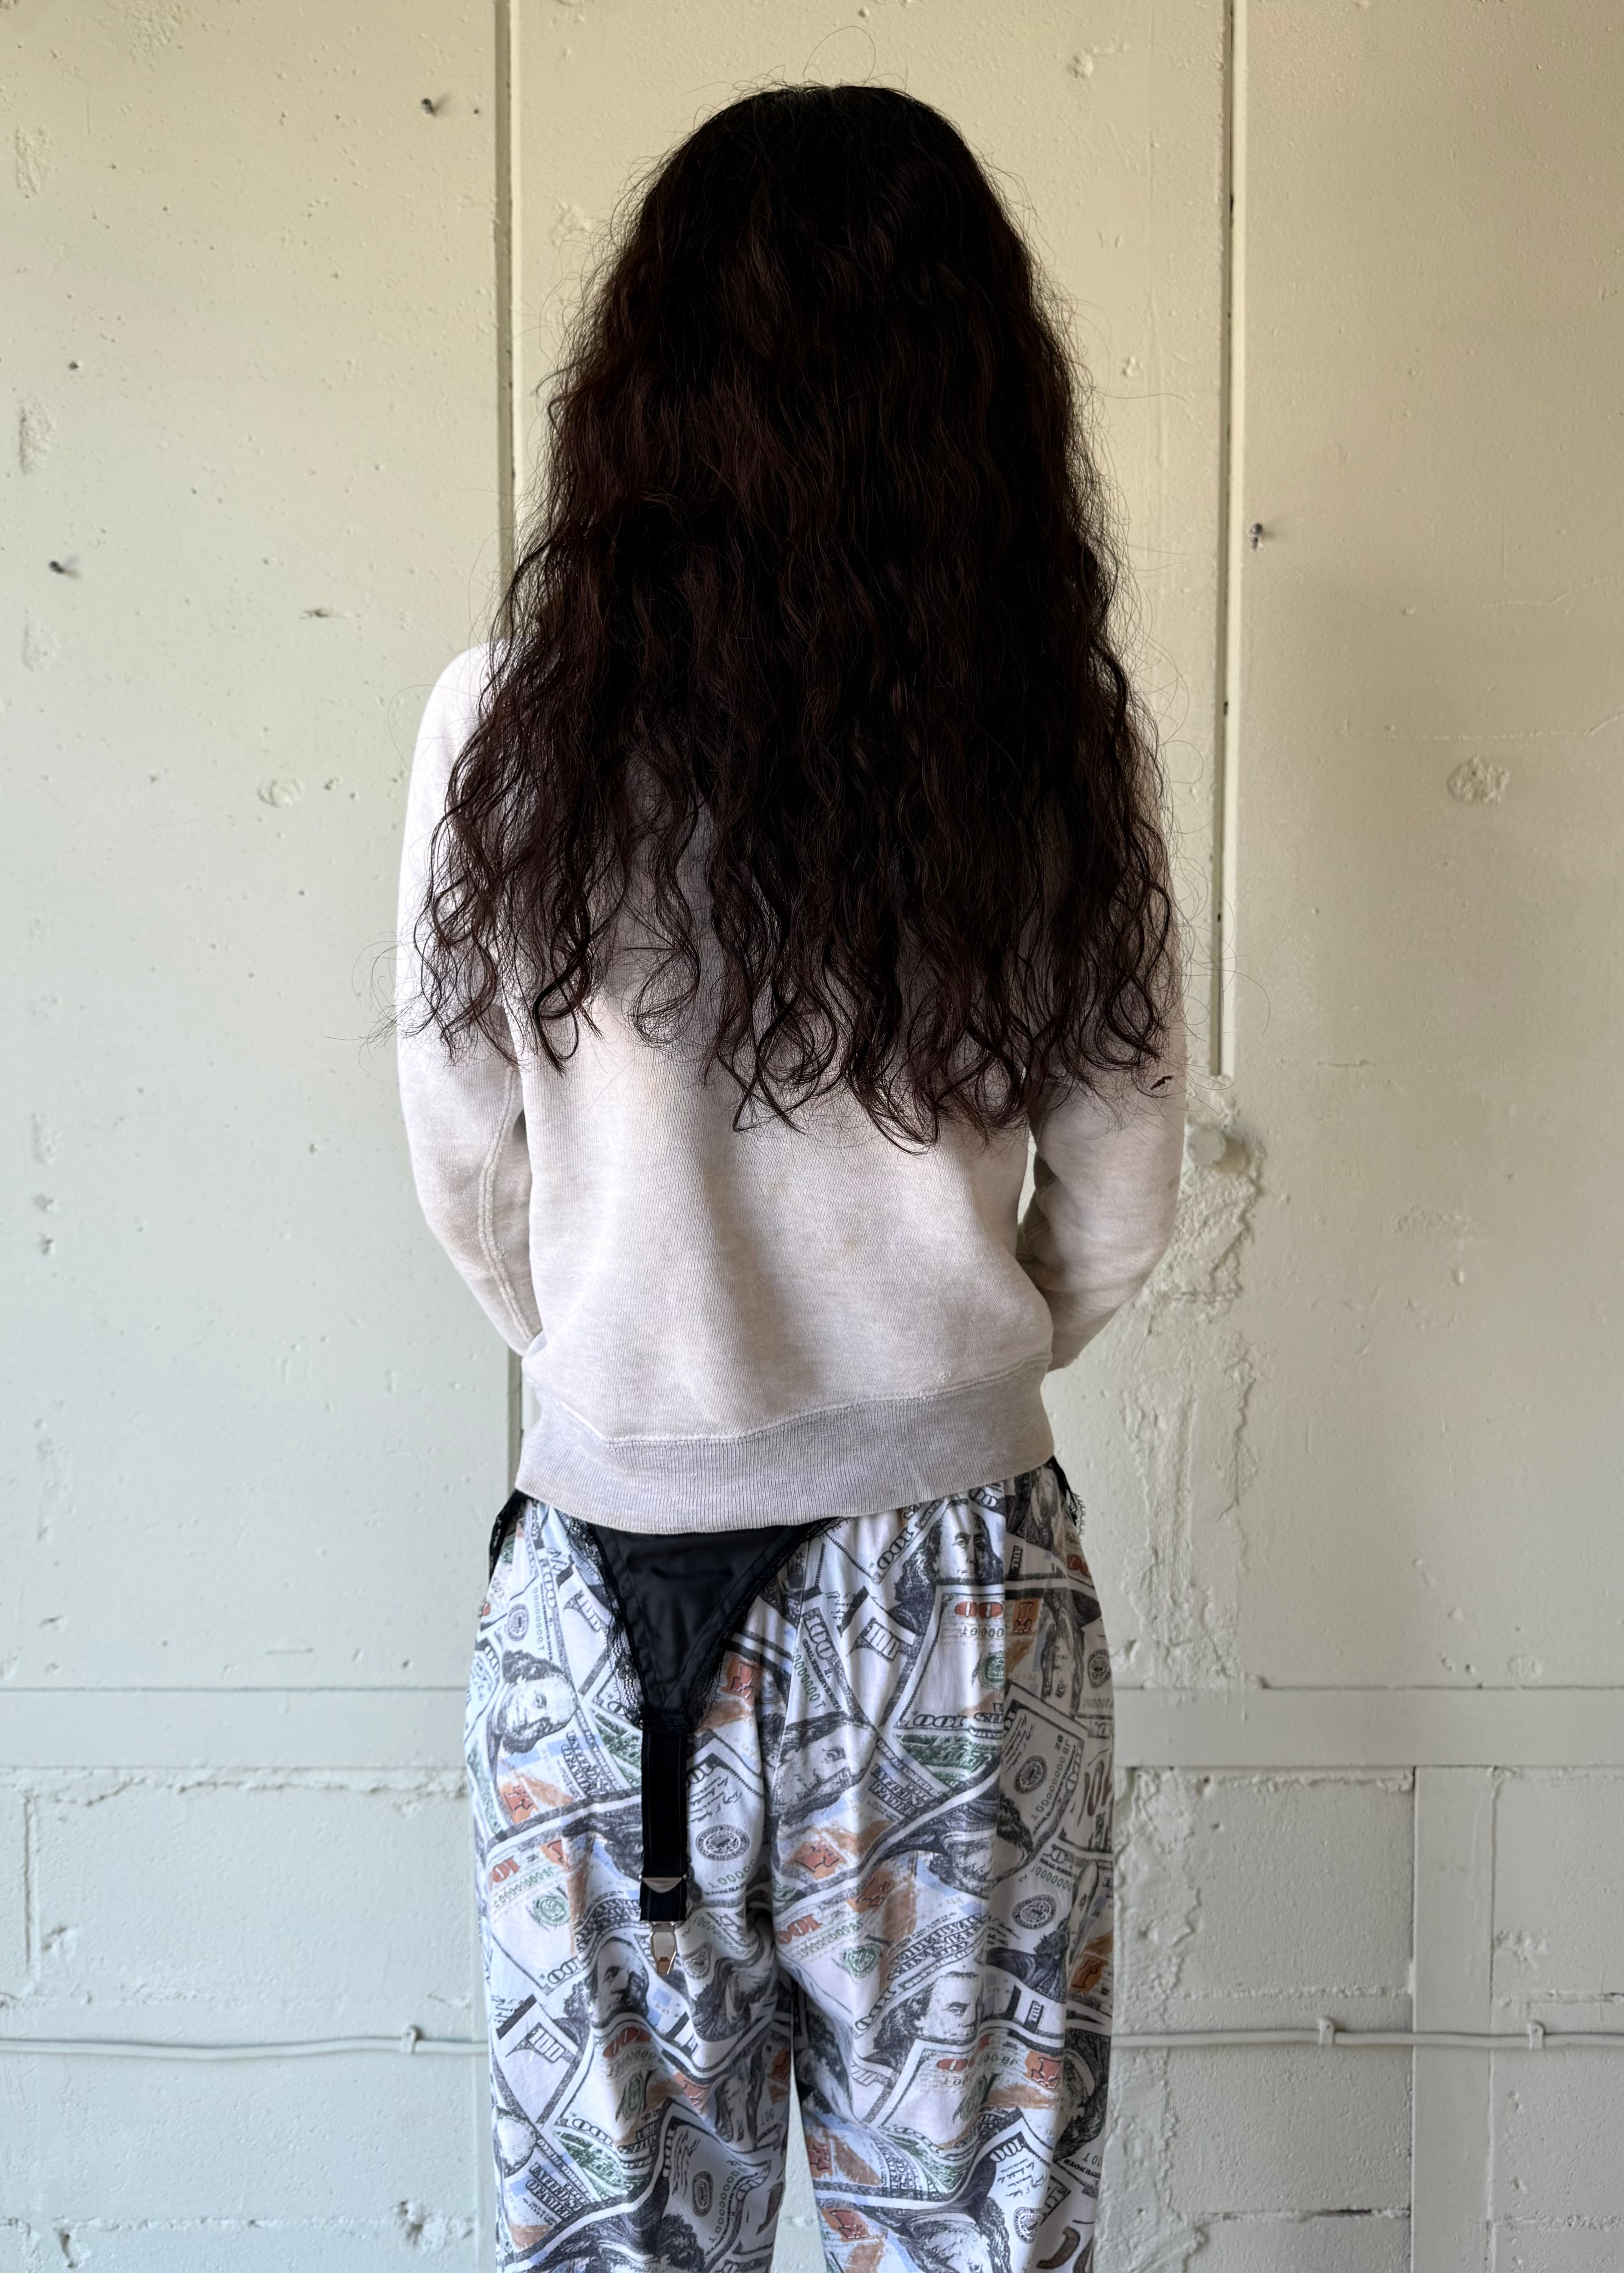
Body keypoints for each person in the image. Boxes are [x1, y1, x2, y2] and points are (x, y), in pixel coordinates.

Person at [397, 82, 1186, 2273]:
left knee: (616, 2242)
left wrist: (636, 1359)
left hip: (602, 1591)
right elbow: (1121, 1196)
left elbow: (470, 1167)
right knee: (969, 2240)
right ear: (981, 390)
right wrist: (928, 1366)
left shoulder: (504, 731)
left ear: (644, 378)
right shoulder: (1048, 734)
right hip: (959, 1601)